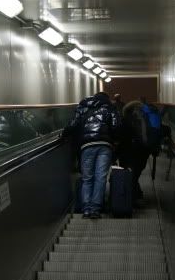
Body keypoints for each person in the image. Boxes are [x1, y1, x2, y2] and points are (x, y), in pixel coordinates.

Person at [62, 91, 121, 219]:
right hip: (104, 145)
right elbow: (116, 127)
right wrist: (114, 140)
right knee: (100, 177)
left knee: (87, 178)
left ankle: (86, 209)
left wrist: (63, 134)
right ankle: (95, 209)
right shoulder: (110, 108)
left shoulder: (84, 107)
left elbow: (73, 124)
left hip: (87, 145)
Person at [120, 97, 164, 201]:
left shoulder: (128, 118)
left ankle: (133, 198)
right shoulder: (148, 117)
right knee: (136, 173)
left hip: (131, 149)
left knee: (131, 174)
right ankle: (137, 195)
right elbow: (162, 130)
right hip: (145, 150)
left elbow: (122, 135)